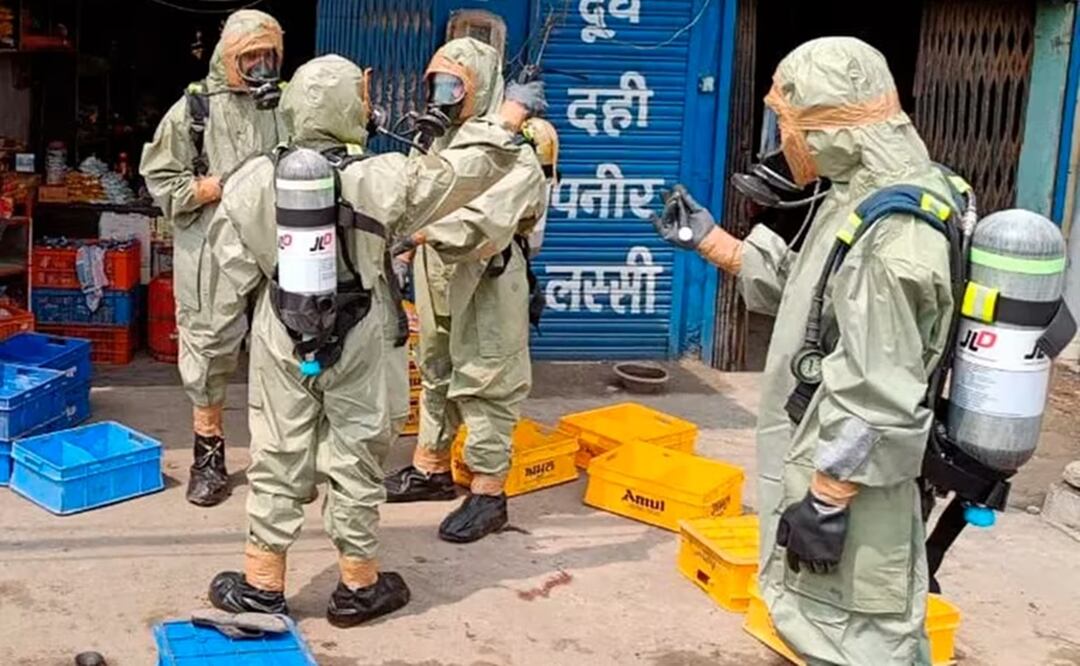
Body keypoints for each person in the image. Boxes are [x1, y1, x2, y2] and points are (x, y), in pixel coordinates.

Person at [201, 54, 544, 625]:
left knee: (277, 452)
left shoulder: (251, 180)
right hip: (362, 329)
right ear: (347, 106)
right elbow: (465, 174)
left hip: (282, 333)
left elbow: (226, 277)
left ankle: (262, 584)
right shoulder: (381, 177)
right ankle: (359, 586)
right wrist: (506, 118)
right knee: (356, 454)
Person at [652, 37, 956, 665]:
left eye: (786, 122)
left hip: (851, 492)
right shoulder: (863, 192)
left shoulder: (894, 235)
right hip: (837, 475)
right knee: (831, 631)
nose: (782, 138)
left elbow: (877, 387)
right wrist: (714, 243)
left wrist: (825, 501)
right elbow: (811, 295)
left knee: (851, 641)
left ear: (826, 126)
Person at [382, 39, 553, 544]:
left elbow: (488, 218)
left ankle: (488, 492)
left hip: (488, 274)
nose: (443, 95)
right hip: (436, 273)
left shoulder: (522, 141)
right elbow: (424, 193)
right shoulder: (445, 138)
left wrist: (418, 235)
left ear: (478, 86)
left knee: (487, 380)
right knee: (435, 370)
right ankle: (431, 468)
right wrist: (409, 253)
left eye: (454, 84)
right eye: (436, 83)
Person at [141, 9, 286, 507]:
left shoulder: (286, 106)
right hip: (210, 248)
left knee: (285, 347)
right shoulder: (193, 110)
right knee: (208, 348)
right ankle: (209, 456)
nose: (260, 66)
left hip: (273, 246)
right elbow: (160, 178)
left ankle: (279, 458)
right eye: (250, 57)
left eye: (268, 56)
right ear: (228, 57)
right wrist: (210, 188)